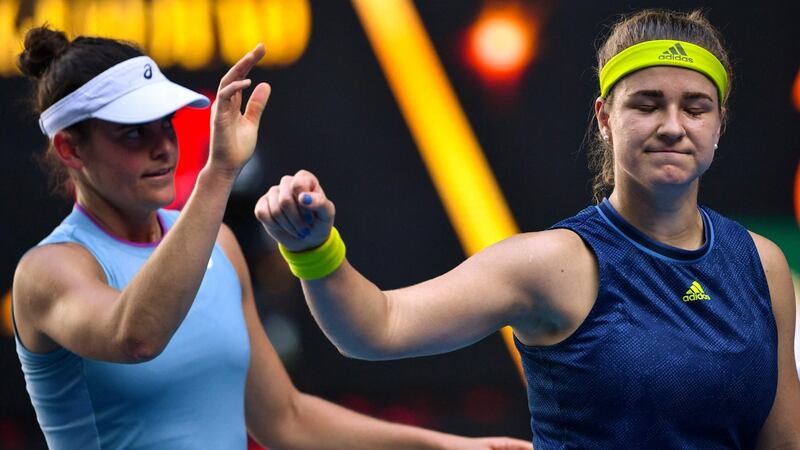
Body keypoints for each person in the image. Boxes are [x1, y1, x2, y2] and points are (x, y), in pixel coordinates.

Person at [256, 9, 800, 449]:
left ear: (719, 123)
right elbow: (376, 328)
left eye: (696, 108)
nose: (673, 126)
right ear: (605, 118)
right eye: (647, 104)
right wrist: (312, 248)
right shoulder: (552, 265)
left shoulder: (763, 265)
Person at [11, 26, 534, 450]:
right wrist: (220, 171)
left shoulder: (219, 246)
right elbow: (136, 337)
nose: (163, 147)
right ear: (70, 149)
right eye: (132, 132)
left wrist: (445, 447)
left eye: (164, 124)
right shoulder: (47, 272)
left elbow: (286, 418)